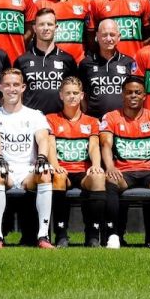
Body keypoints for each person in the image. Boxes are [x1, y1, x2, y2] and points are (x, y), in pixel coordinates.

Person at [100, 76, 150, 249]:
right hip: (123, 172)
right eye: (129, 92)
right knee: (110, 179)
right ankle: (113, 235)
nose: (133, 96)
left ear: (144, 96)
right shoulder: (111, 117)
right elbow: (105, 144)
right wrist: (110, 167)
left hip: (148, 172)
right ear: (123, 94)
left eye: (137, 92)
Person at [0, 68, 55, 248]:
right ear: (0, 87)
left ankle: (43, 236)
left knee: (45, 173)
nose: (12, 89)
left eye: (16, 85)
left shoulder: (35, 115)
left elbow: (43, 138)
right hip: (6, 170)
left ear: (23, 87)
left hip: (28, 171)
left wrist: (42, 157)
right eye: (7, 85)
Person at [46, 77, 107, 247]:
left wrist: (96, 166)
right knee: (58, 178)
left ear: (82, 95)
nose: (72, 96)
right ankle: (61, 234)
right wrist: (55, 166)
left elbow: (94, 146)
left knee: (98, 177)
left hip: (83, 171)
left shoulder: (92, 121)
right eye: (68, 93)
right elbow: (50, 146)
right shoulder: (51, 119)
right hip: (62, 170)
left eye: (75, 93)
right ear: (61, 95)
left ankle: (93, 235)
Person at [14, 8, 77, 115]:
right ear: (34, 28)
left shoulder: (68, 60)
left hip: (60, 120)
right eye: (41, 24)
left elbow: (75, 93)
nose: (46, 28)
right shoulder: (22, 61)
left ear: (56, 27)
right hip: (30, 120)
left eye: (50, 24)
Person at [78, 19, 137, 119]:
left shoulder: (129, 62)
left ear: (119, 37)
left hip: (123, 121)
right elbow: (81, 94)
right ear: (97, 36)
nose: (109, 39)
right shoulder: (85, 64)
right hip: (95, 122)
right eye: (104, 35)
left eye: (112, 35)